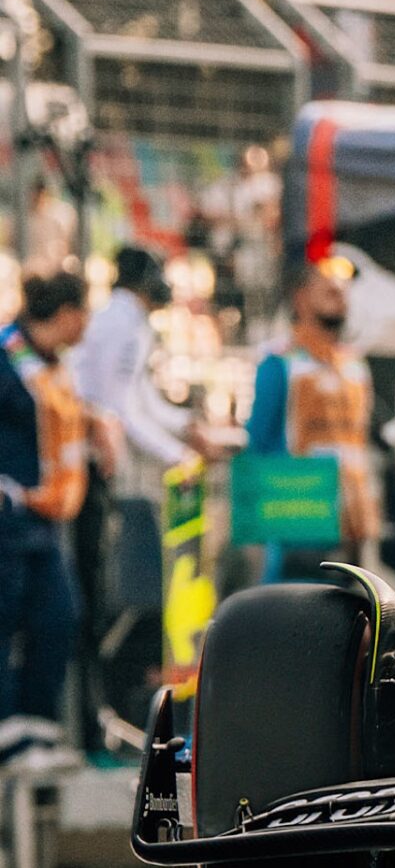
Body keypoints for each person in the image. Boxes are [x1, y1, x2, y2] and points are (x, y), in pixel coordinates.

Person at [70, 246, 208, 753]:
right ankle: (91, 720)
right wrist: (178, 451)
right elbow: (119, 410)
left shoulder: (129, 321)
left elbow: (139, 398)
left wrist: (184, 427)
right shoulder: (122, 323)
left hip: (102, 474)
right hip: (92, 475)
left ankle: (96, 716)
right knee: (100, 601)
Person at [0, 273, 90, 770]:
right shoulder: (7, 357)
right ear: (67, 314)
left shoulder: (54, 364)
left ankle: (38, 731)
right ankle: (10, 738)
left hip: (46, 519)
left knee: (58, 617)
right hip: (10, 518)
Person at [246, 254, 378, 578]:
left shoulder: (354, 366)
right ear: (301, 297)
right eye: (330, 289)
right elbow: (259, 442)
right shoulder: (281, 362)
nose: (341, 296)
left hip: (350, 522)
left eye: (344, 290)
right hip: (300, 518)